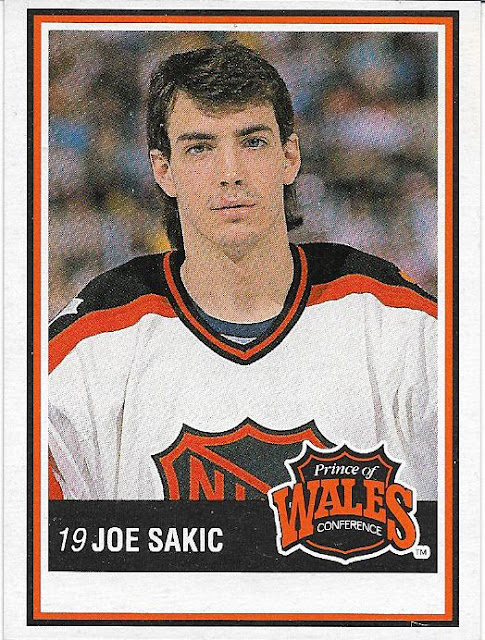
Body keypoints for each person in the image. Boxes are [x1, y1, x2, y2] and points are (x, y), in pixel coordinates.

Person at [48, 43, 437, 501]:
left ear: (289, 157)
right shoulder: (88, 350)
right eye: (200, 148)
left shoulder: (402, 326)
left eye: (252, 142)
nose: (230, 172)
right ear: (163, 170)